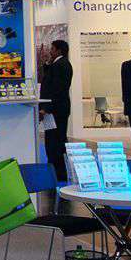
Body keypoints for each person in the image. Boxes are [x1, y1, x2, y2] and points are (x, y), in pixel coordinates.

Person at [39, 40, 73, 181]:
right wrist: (47, 65)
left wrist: (46, 109)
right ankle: (56, 172)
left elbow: (57, 90)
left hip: (56, 111)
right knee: (53, 142)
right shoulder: (58, 64)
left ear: (59, 50)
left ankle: (58, 174)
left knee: (55, 143)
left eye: (52, 49)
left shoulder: (61, 65)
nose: (50, 51)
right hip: (55, 110)